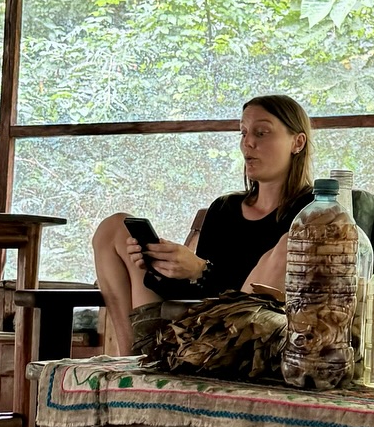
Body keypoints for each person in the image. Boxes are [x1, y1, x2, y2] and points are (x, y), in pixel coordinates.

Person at [92, 94, 315, 356]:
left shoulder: (312, 211)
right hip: (196, 325)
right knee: (114, 228)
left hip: (248, 338)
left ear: (297, 142)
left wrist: (202, 271)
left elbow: (271, 296)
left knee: (286, 247)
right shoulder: (224, 208)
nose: (248, 143)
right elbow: (197, 294)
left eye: (262, 132)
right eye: (243, 133)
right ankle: (129, 359)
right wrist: (160, 265)